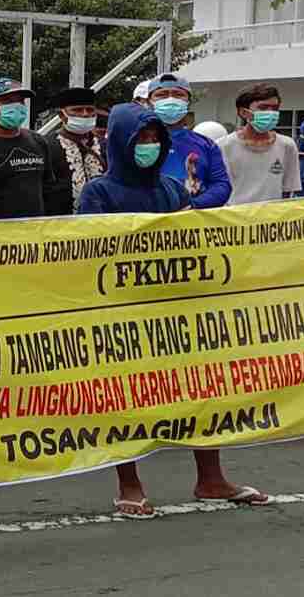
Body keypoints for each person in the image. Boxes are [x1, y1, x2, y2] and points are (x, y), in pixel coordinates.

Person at [79, 102, 271, 517]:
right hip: (124, 313)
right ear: (119, 142)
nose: (147, 145)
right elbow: (86, 254)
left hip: (179, 309)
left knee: (202, 390)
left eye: (154, 138)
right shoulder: (98, 192)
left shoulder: (171, 190)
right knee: (124, 400)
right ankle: (128, 485)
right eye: (139, 138)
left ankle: (212, 478)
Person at [0, 78, 58, 219]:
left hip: (34, 233)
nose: (17, 106)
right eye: (8, 101)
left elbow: (48, 189)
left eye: (20, 101)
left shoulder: (37, 141)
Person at [147, 74, 231, 208]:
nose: (170, 99)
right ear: (149, 102)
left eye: (178, 94)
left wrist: (192, 205)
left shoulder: (207, 145)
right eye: (162, 94)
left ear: (188, 102)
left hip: (192, 223)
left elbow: (221, 185)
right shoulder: (135, 142)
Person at [217, 83, 301, 204]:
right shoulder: (223, 146)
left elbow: (288, 190)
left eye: (275, 108)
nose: (270, 113)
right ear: (243, 112)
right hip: (234, 219)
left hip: (272, 219)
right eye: (263, 107)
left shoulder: (287, 145)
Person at [43, 86, 107, 214]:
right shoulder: (46, 146)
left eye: (90, 110)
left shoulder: (105, 146)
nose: (85, 114)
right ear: (62, 115)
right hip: (60, 226)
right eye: (77, 110)